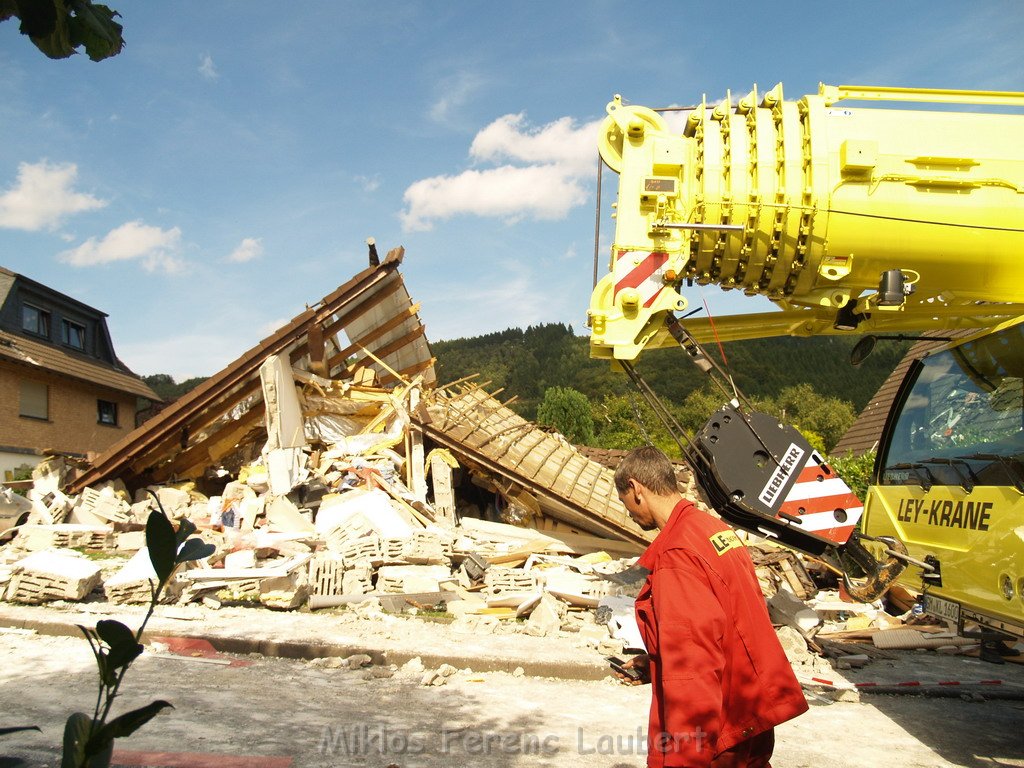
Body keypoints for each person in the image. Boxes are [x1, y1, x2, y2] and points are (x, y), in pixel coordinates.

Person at [613, 445, 808, 767]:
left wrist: (685, 757)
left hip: (719, 728)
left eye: (625, 503)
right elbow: (725, 619)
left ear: (635, 489)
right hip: (748, 707)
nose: (630, 515)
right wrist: (657, 661)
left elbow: (693, 667)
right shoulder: (713, 531)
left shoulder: (677, 555)